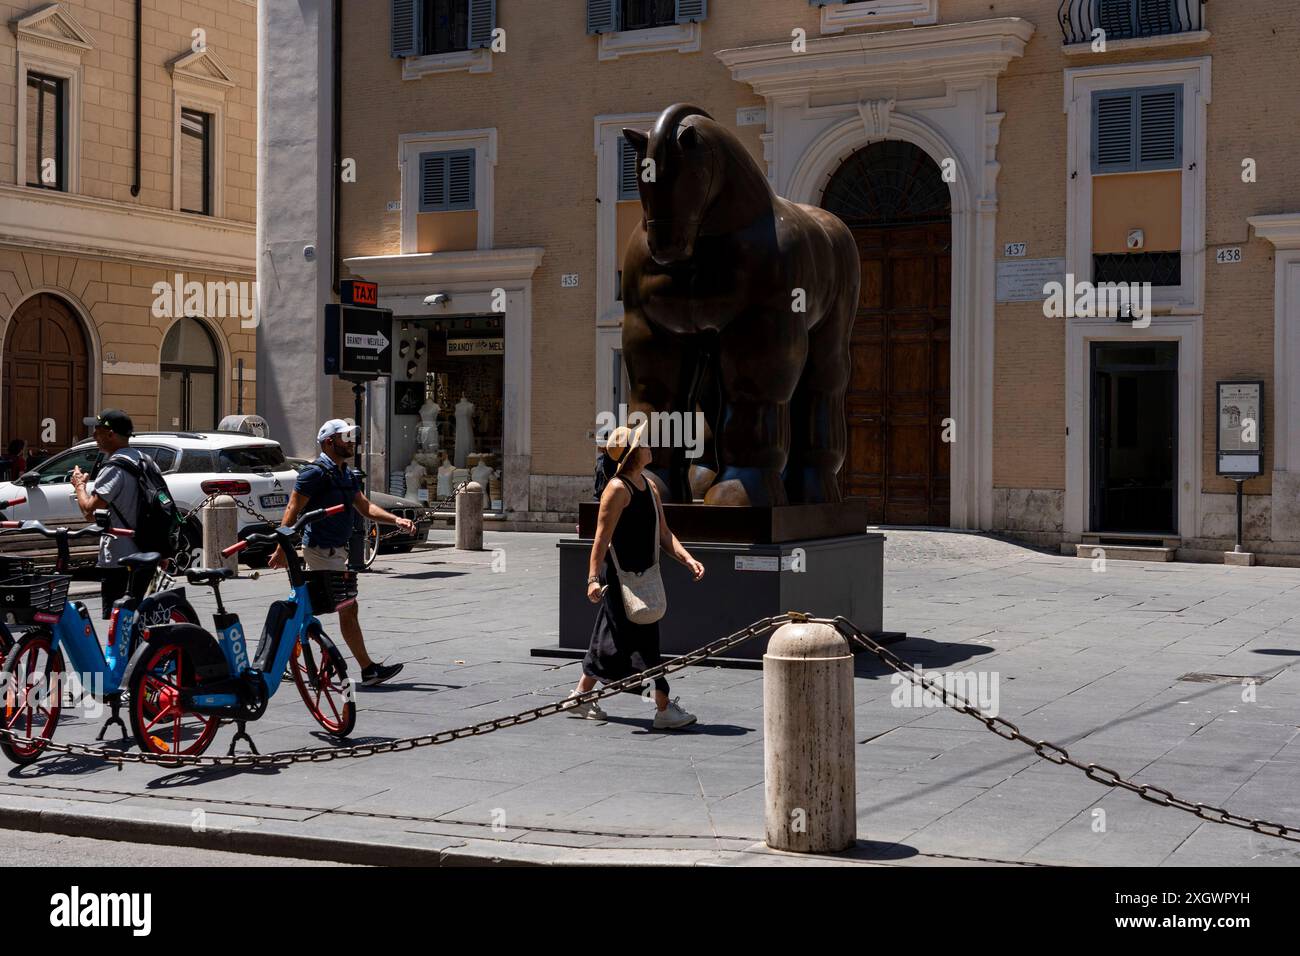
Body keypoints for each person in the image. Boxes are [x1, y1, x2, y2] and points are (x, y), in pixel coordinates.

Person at [570, 422, 704, 729]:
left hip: (643, 577)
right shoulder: (617, 490)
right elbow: (601, 539)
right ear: (632, 454)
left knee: (608, 637)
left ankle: (580, 696)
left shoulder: (649, 485)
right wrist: (592, 579)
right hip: (620, 579)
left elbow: (665, 533)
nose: (648, 446)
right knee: (644, 644)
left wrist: (688, 559)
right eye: (643, 443)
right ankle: (664, 708)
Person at [271, 419, 416, 687]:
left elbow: (364, 506)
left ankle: (283, 659)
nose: (350, 443)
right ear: (329, 442)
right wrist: (282, 546)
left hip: (338, 551)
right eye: (345, 439)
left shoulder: (346, 474)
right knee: (345, 607)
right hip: (319, 550)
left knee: (311, 608)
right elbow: (293, 509)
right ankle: (368, 669)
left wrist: (396, 520)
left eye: (350, 439)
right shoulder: (314, 473)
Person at [70, 410, 143, 619]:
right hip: (145, 551)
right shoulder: (144, 460)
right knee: (139, 617)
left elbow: (89, 511)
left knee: (118, 621)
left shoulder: (114, 467)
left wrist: (79, 485)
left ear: (110, 434)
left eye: (98, 431)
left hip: (119, 557)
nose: (94, 436)